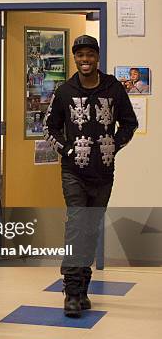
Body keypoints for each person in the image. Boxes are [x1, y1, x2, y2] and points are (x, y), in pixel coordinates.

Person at [43, 35, 138, 317]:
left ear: (97, 57)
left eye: (90, 55)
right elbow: (50, 128)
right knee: (76, 225)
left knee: (91, 228)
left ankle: (84, 288)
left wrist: (114, 145)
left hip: (104, 172)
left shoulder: (113, 88)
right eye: (80, 56)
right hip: (74, 171)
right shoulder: (64, 91)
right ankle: (71, 292)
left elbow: (130, 124)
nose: (85, 60)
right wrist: (68, 150)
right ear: (75, 59)